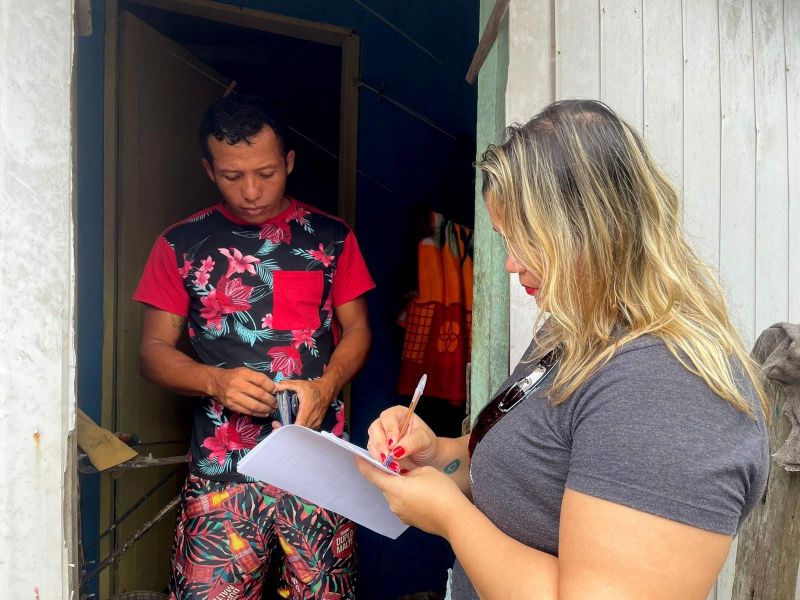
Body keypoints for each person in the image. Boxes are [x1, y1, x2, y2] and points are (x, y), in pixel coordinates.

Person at [357, 99, 769, 599]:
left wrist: (450, 517)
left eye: (526, 238)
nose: (510, 264)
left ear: (592, 230)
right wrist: (437, 454)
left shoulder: (672, 385)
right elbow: (530, 469)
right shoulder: (575, 329)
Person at [134, 93, 373, 599]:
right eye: (230, 175)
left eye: (265, 173)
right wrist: (214, 380)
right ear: (208, 168)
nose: (250, 191)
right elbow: (153, 350)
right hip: (222, 473)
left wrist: (326, 385)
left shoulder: (330, 239)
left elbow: (357, 331)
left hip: (318, 468)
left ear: (288, 160)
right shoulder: (179, 245)